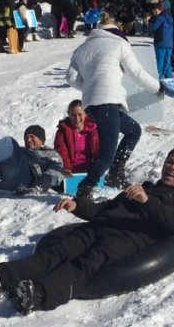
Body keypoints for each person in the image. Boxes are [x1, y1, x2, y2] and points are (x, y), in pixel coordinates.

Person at [0, 147, 174, 314]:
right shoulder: (144, 187)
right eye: (170, 162)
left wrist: (147, 202)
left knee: (85, 263)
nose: (172, 168)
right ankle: (4, 278)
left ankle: (39, 295)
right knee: (58, 251)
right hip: (99, 226)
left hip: (126, 239)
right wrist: (77, 206)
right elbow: (106, 208)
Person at [65, 14, 164, 202]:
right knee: (106, 155)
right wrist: (158, 88)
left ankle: (116, 173)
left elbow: (70, 77)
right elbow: (136, 73)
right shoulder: (119, 44)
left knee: (133, 130)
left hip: (93, 106)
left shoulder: (82, 48)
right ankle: (85, 188)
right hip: (108, 103)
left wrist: (89, 87)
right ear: (117, 32)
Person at [54, 100, 100, 174]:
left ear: (85, 114)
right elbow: (62, 151)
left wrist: (98, 167)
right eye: (73, 115)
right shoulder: (63, 131)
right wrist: (67, 168)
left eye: (80, 114)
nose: (77, 118)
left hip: (91, 170)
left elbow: (99, 149)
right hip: (71, 170)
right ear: (69, 115)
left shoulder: (93, 131)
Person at [145, 0, 174, 80]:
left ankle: (159, 79)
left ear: (160, 10)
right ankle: (170, 79)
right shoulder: (169, 18)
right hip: (169, 43)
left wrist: (148, 22)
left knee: (160, 63)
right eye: (153, 12)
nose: (154, 13)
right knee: (167, 62)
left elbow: (153, 28)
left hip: (160, 43)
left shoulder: (160, 18)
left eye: (156, 11)